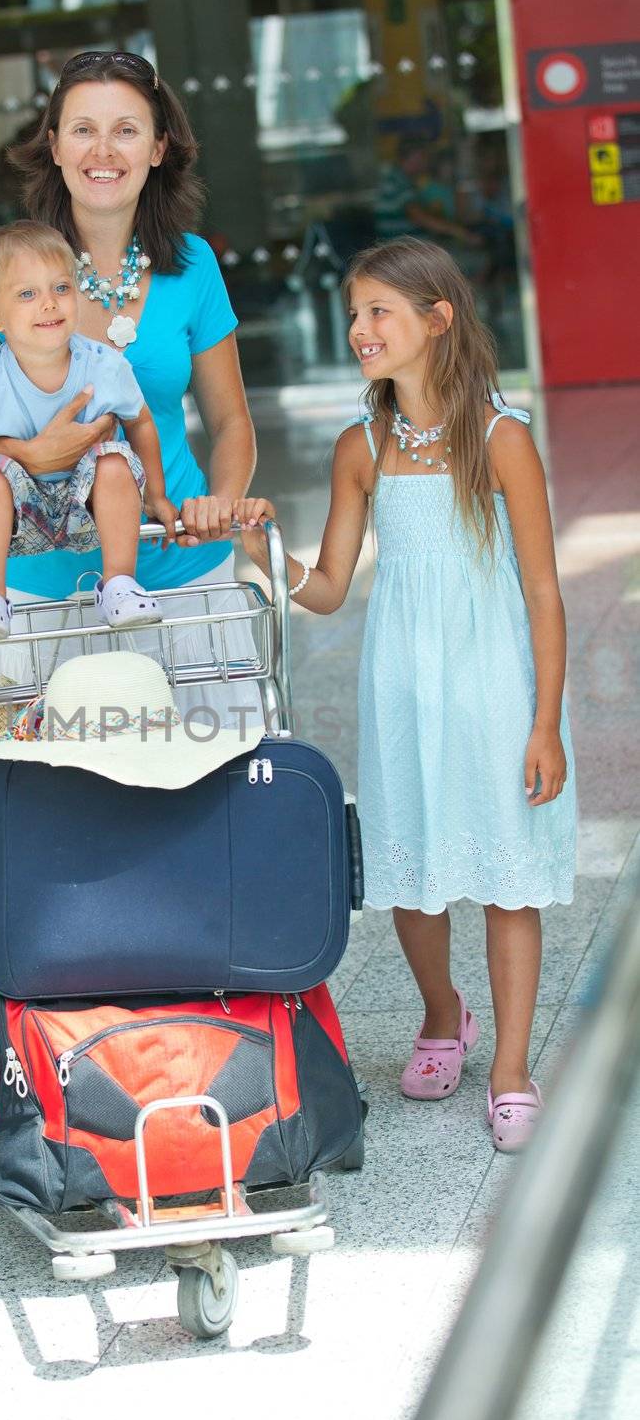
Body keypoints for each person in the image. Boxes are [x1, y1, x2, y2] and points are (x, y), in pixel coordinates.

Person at [235, 236, 576, 1153]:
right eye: (353, 313)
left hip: (496, 684)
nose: (357, 330)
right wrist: (261, 552)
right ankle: (441, 1014)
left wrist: (543, 724)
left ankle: (509, 1067)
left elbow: (542, 590)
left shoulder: (502, 441)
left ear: (437, 320)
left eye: (377, 312)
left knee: (506, 879)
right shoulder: (363, 446)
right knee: (410, 871)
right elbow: (331, 587)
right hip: (402, 684)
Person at [0, 48, 258, 720]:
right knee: (55, 809)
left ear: (158, 148)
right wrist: (26, 456)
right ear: (54, 146)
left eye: (126, 129)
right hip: (39, 594)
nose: (104, 149)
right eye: (82, 129)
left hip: (181, 577)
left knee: (210, 792)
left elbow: (232, 421)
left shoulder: (193, 266)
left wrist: (222, 503)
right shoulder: (8, 273)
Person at [0, 222, 175, 642]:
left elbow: (141, 421)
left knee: (113, 460)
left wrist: (157, 496)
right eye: (27, 294)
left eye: (61, 288)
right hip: (20, 520)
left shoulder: (104, 365)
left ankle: (118, 585)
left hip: (91, 508)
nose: (48, 304)